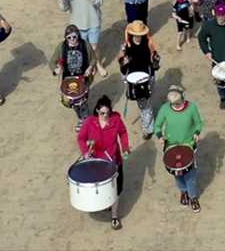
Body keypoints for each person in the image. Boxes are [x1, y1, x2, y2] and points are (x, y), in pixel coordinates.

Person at [76, 95, 130, 230]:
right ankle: (105, 204)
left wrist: (125, 147)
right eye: (102, 113)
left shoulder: (116, 120)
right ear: (97, 110)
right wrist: (85, 152)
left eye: (107, 113)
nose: (105, 116)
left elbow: (123, 133)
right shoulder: (89, 122)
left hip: (113, 161)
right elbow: (81, 138)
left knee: (115, 190)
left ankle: (114, 217)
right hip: (96, 163)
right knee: (100, 188)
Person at [154, 84, 205, 212]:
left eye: (177, 103)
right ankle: (183, 192)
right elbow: (157, 126)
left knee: (190, 175)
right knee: (177, 173)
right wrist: (160, 136)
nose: (175, 105)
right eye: (172, 103)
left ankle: (193, 197)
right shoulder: (165, 109)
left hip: (188, 145)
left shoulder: (192, 108)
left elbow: (199, 123)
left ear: (183, 97)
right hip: (171, 146)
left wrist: (197, 133)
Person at [60, 0, 108, 76]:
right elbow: (64, 8)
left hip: (93, 21)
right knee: (83, 48)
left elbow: (100, 1)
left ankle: (98, 64)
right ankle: (89, 66)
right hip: (77, 25)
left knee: (94, 46)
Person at [118, 20, 160, 138]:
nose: (138, 37)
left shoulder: (148, 43)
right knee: (143, 104)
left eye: (140, 34)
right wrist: (124, 63)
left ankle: (148, 126)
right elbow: (122, 66)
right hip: (133, 80)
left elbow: (155, 64)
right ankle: (148, 124)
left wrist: (156, 60)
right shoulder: (126, 46)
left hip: (147, 77)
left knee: (145, 103)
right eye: (136, 34)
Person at [52, 24, 96, 124]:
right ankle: (81, 117)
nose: (72, 39)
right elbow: (52, 61)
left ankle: (85, 121)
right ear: (66, 38)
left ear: (78, 35)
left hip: (82, 78)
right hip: (68, 80)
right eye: (69, 37)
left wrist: (90, 67)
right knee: (73, 102)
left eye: (74, 36)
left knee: (82, 101)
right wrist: (56, 70)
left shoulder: (85, 45)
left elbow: (93, 58)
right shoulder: (61, 47)